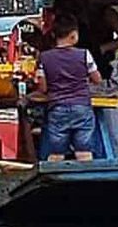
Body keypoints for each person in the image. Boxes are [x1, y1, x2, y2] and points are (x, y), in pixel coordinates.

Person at [34, 16, 102, 161]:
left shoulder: (44, 58)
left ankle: (54, 181)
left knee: (56, 152)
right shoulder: (84, 54)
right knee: (84, 151)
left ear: (53, 35)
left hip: (57, 108)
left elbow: (43, 87)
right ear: (73, 35)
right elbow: (97, 79)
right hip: (82, 107)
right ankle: (85, 181)